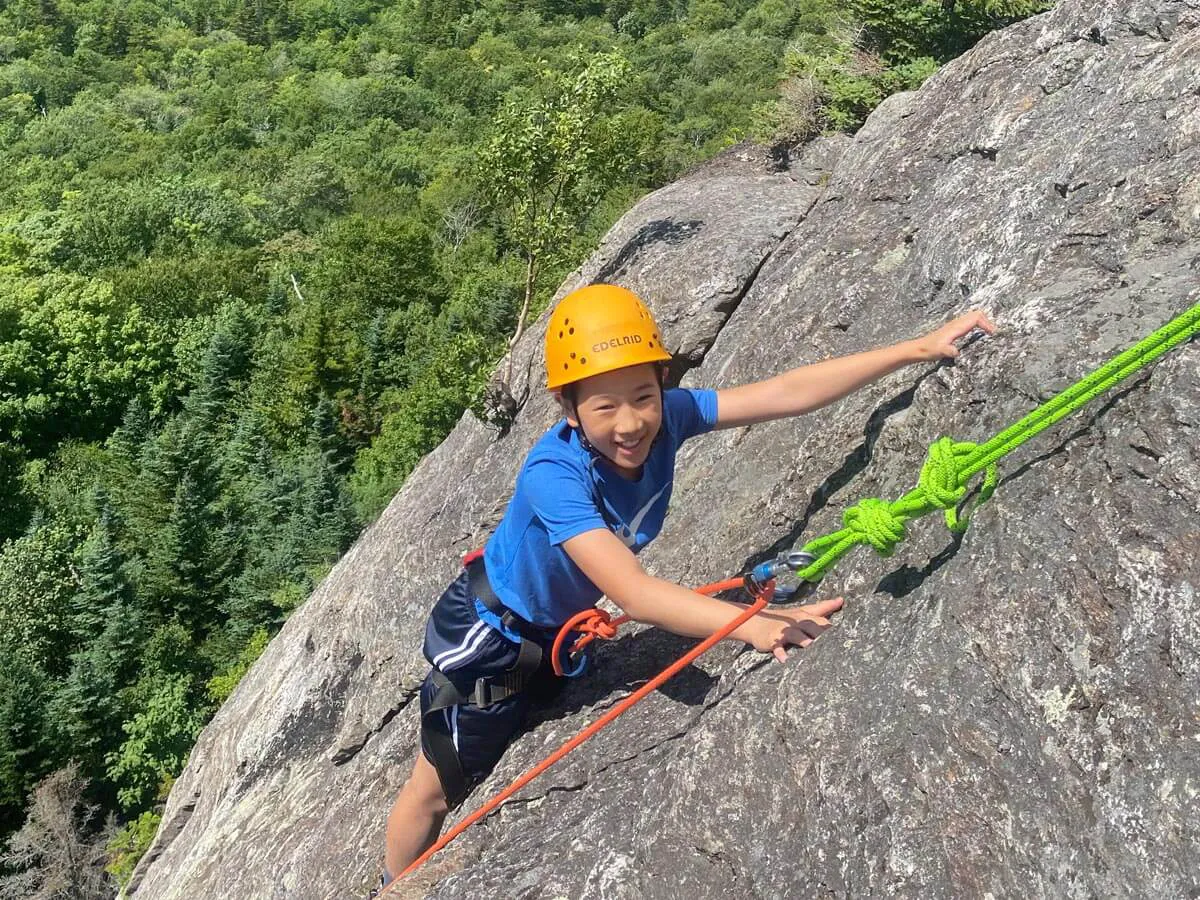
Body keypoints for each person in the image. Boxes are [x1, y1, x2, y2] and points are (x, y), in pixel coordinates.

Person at [378, 283, 995, 887]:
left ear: (662, 384)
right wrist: (752, 624)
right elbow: (637, 593)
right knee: (437, 785)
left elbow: (785, 392)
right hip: (492, 635)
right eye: (603, 406)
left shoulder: (670, 417)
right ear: (568, 411)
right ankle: (391, 884)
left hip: (556, 630)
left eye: (643, 395)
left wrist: (915, 349)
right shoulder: (553, 475)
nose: (631, 423)